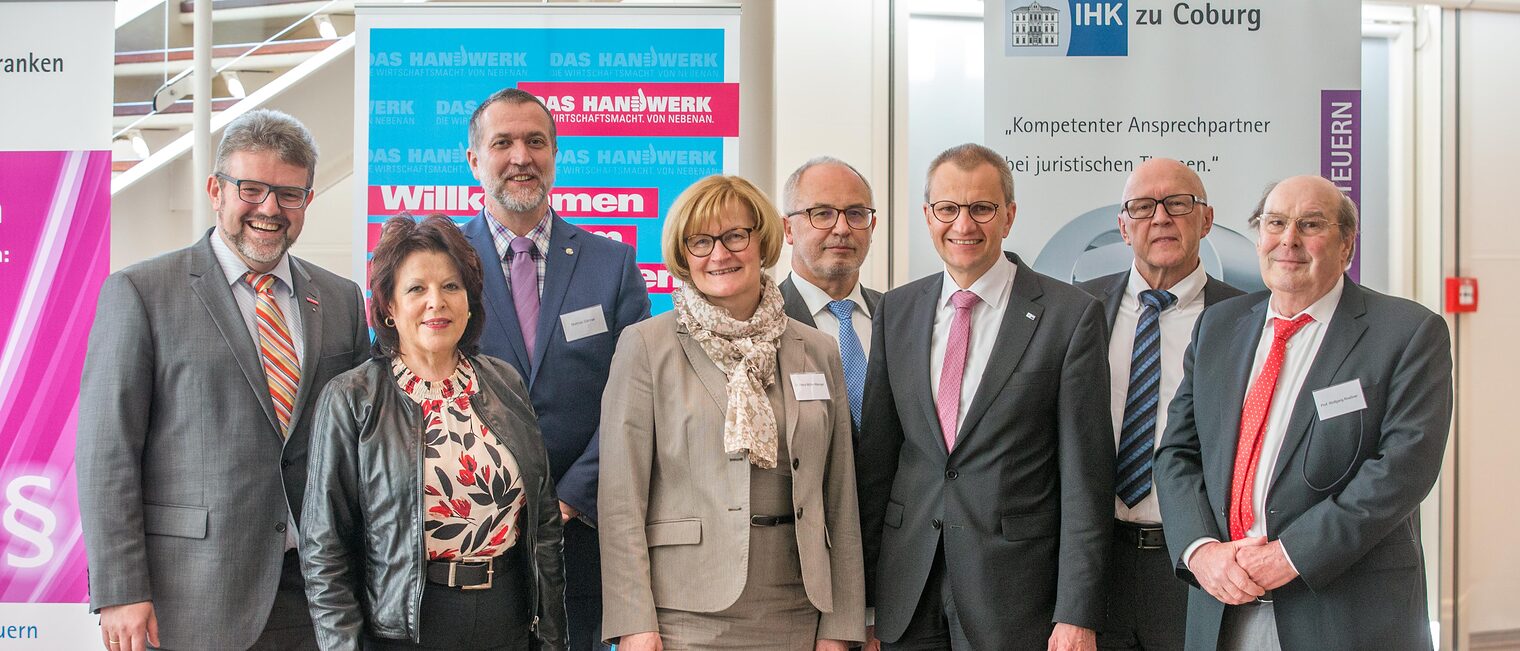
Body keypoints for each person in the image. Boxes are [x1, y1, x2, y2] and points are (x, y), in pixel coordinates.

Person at [77, 109, 370, 651]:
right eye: (251, 189)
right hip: (193, 592)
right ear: (216, 189)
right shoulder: (141, 292)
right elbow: (106, 450)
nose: (269, 208)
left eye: (289, 194)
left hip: (320, 593)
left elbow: (356, 445)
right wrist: (120, 590)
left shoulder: (341, 298)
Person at [1154, 175, 1451, 651]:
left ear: (1346, 245)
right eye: (1275, 223)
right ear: (1258, 236)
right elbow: (1177, 454)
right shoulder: (1219, 325)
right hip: (1224, 607)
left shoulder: (1408, 333)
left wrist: (1291, 554)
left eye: (1310, 224)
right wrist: (1201, 551)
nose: (1288, 240)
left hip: (1345, 611)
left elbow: (1403, 469)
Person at [857, 143, 1112, 651]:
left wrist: (1076, 612)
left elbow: (1087, 477)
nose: (963, 225)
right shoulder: (897, 311)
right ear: (928, 216)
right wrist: (863, 600)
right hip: (908, 586)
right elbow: (879, 462)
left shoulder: (1070, 315)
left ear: (1009, 216)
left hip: (1016, 593)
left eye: (981, 208)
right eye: (948, 209)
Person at [599, 175, 866, 651]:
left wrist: (842, 625)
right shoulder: (645, 347)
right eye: (700, 241)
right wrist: (635, 623)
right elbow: (621, 501)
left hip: (799, 605)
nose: (719, 254)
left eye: (734, 236)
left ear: (760, 241)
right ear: (683, 254)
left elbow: (840, 496)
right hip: (685, 611)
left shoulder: (817, 350)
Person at [300, 214, 567, 650]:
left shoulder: (504, 382)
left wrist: (553, 639)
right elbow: (324, 549)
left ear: (469, 300)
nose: (436, 302)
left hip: (510, 618)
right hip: (408, 628)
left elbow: (544, 521)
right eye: (416, 288)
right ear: (388, 305)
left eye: (451, 286)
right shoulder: (352, 398)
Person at [459, 87, 651, 650]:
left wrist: (570, 496)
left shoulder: (610, 264)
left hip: (585, 535)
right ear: (474, 160)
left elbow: (635, 398)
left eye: (535, 141)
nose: (521, 156)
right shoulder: (441, 259)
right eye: (503, 143)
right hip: (471, 531)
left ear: (555, 152)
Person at [1076, 158, 1244, 650]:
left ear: (1206, 220)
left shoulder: (1245, 321)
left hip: (1194, 565)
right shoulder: (1074, 311)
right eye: (1143, 207)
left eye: (1178, 204)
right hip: (1095, 565)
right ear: (1123, 228)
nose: (1161, 217)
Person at [778, 156, 883, 437]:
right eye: (822, 213)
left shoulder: (901, 317)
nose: (842, 228)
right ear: (788, 229)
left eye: (856, 213)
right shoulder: (762, 321)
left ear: (872, 228)